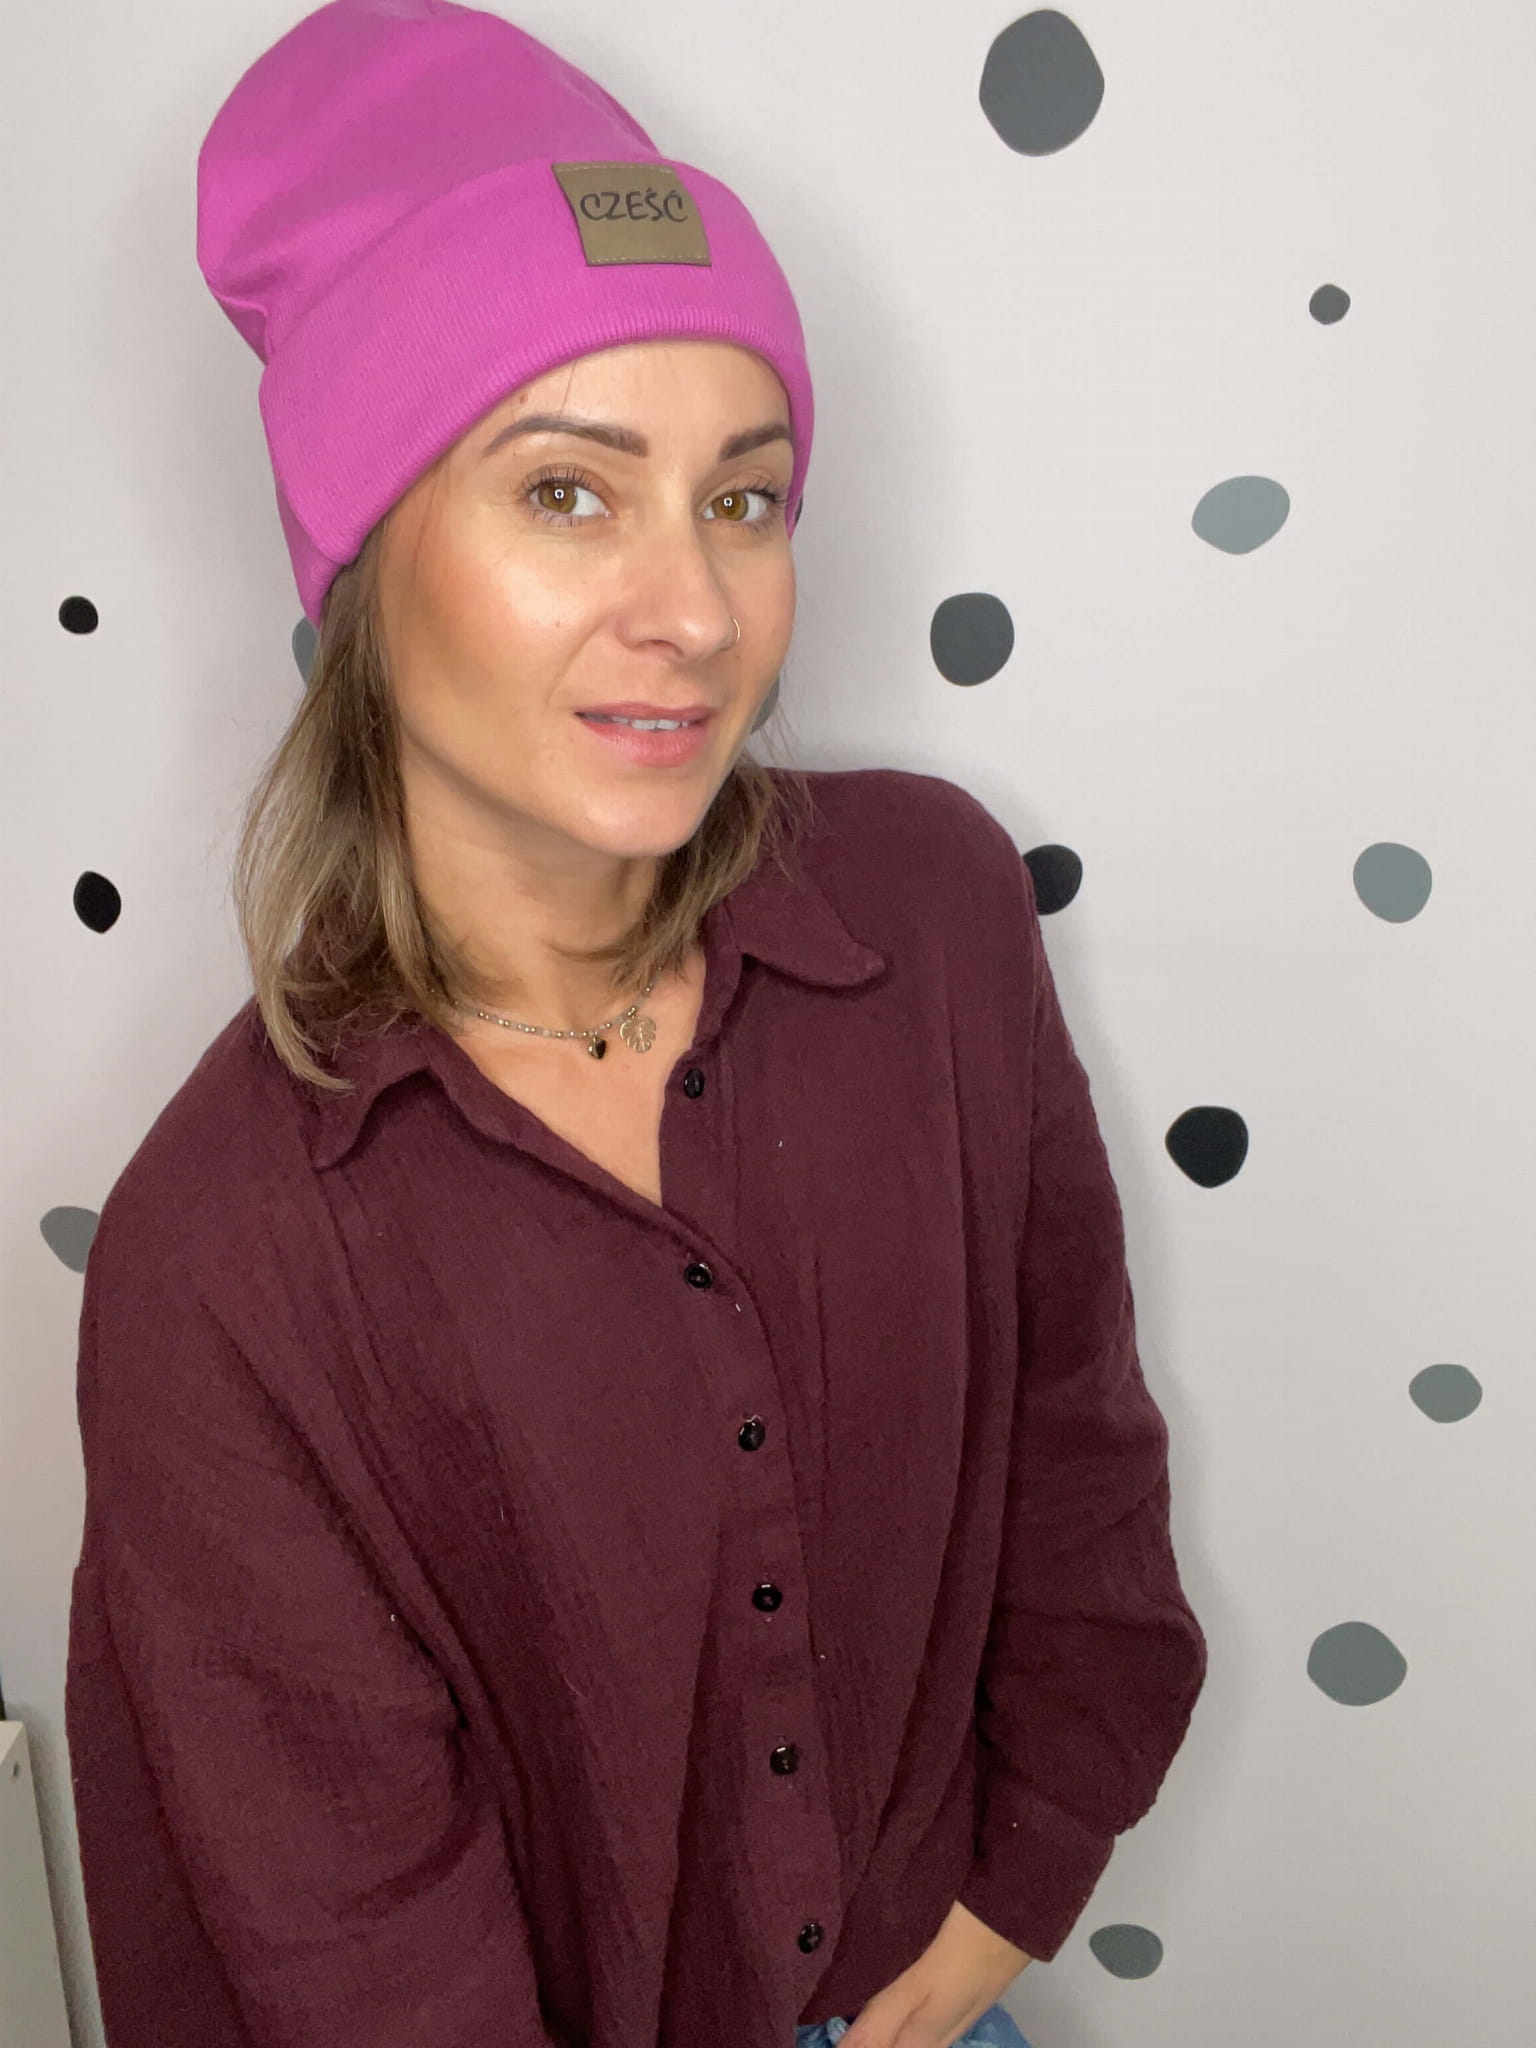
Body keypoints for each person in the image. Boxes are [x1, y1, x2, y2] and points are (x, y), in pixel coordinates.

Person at [62, 6, 1209, 2048]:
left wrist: (1009, 1895)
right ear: (366, 556)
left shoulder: (936, 914)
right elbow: (350, 1944)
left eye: (743, 500)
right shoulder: (227, 1258)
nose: (694, 609)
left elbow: (1075, 1444)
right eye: (570, 494)